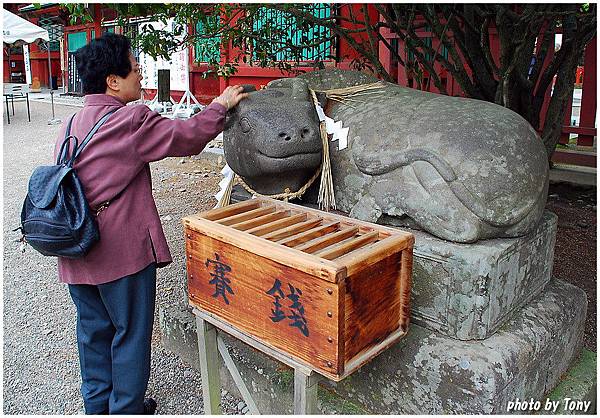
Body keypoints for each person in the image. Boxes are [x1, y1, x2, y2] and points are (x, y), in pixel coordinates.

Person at [55, 33, 248, 415]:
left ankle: (97, 406)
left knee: (93, 332)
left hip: (74, 248)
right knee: (130, 333)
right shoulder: (129, 119)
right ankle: (125, 408)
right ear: (113, 80)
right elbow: (186, 137)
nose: (139, 70)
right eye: (133, 65)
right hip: (120, 254)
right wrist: (221, 106)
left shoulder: (72, 121)